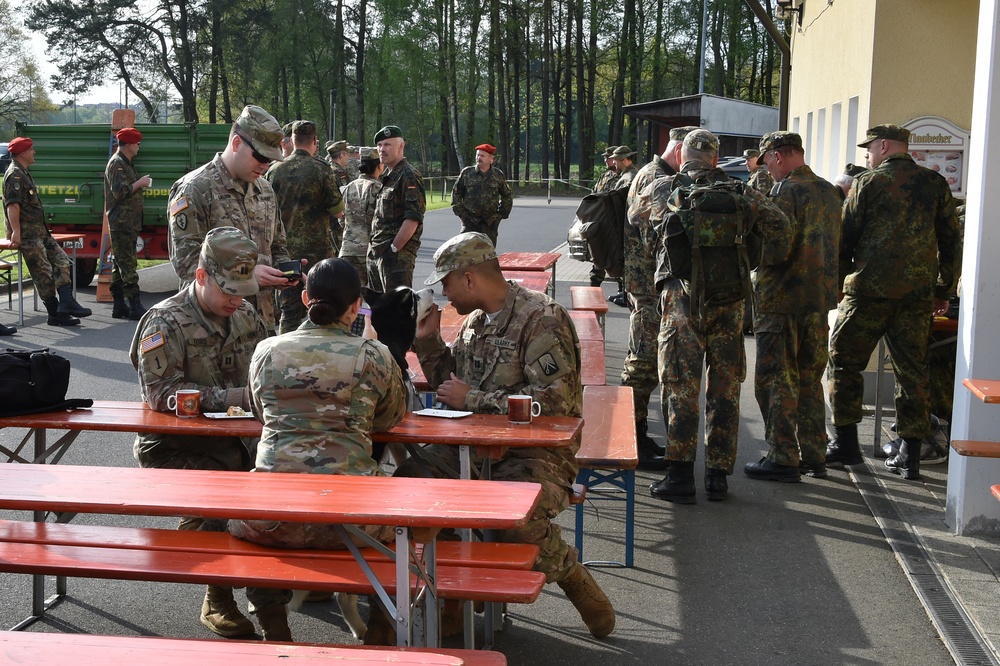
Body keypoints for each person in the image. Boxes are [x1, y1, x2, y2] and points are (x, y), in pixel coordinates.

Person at [404, 232, 616, 640]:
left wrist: (478, 398)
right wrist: (427, 340)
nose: (444, 295)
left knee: (512, 515)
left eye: (446, 283)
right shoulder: (474, 324)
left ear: (469, 279)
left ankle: (570, 573)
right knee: (415, 487)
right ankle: (453, 597)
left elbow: (553, 401)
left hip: (536, 449)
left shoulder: (541, 318)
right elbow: (452, 385)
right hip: (473, 446)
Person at [228, 257, 406, 641]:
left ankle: (274, 626)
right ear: (356, 306)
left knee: (240, 519)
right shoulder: (373, 355)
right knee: (411, 522)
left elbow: (260, 413)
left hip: (272, 519)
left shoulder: (267, 351)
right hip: (355, 523)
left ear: (305, 297)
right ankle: (380, 630)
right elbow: (390, 418)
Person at [130, 227, 268, 639]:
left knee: (290, 482)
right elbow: (161, 394)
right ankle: (218, 598)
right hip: (175, 445)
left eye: (244, 289)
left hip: (236, 439)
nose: (237, 299)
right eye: (229, 289)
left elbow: (266, 369)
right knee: (224, 497)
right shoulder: (165, 321)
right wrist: (234, 397)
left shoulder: (244, 313)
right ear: (202, 275)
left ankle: (276, 585)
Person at [647, 129, 790, 504]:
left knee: (680, 383)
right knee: (725, 387)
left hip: (682, 298)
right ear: (714, 158)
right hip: (730, 300)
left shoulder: (666, 187)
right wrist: (752, 257)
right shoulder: (741, 191)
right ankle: (717, 477)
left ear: (683, 155)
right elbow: (781, 226)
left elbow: (636, 218)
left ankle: (679, 477)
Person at [825, 124, 961, 481]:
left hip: (868, 293)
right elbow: (951, 240)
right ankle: (910, 454)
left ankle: (846, 445)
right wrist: (943, 290)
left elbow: (845, 237)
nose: (867, 155)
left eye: (869, 149)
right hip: (916, 297)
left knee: (843, 362)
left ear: (883, 146)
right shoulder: (935, 184)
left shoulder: (868, 183)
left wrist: (840, 284)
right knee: (913, 373)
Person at [742, 131, 842, 482]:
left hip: (782, 299)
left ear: (779, 156)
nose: (765, 166)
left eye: (766, 159)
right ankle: (814, 454)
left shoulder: (785, 191)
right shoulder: (830, 191)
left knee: (775, 379)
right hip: (818, 300)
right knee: (809, 379)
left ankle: (783, 456)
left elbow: (776, 248)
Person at [167, 104, 294, 333]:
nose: (265, 166)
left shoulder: (264, 190)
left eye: (270, 160)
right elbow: (186, 264)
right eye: (261, 157)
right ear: (236, 143)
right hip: (210, 329)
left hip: (260, 322)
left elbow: (277, 245)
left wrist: (284, 272)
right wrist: (247, 275)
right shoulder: (195, 189)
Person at [622, 126, 698, 471]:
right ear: (680, 149)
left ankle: (636, 433)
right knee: (643, 362)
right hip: (647, 287)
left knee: (648, 361)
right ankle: (631, 438)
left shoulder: (657, 174)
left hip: (647, 284)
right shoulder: (656, 178)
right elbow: (654, 230)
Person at [265, 120, 345, 334]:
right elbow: (337, 210)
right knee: (321, 307)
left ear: (291, 140)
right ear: (314, 141)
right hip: (318, 254)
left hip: (285, 254)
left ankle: (286, 358)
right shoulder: (323, 170)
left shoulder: (274, 171)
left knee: (289, 311)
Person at [3, 137, 91, 327]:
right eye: (31, 150)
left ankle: (66, 302)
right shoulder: (15, 175)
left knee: (61, 260)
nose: (34, 152)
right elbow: (13, 206)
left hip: (40, 233)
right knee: (43, 272)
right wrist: (16, 232)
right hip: (28, 235)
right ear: (22, 153)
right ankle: (54, 313)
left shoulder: (23, 172)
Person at [368, 125, 426, 293]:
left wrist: (393, 249)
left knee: (397, 311)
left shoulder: (408, 175)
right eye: (379, 145)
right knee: (379, 310)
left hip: (395, 259)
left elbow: (413, 218)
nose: (381, 149)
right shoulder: (388, 176)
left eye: (387, 145)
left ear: (401, 146)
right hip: (378, 254)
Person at [104, 127, 152, 321]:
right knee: (128, 264)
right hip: (121, 223)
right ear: (129, 144)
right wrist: (140, 183)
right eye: (137, 143)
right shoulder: (117, 164)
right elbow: (120, 191)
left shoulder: (126, 163)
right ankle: (134, 305)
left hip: (128, 222)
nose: (139, 147)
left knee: (119, 264)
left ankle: (118, 306)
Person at [451, 143, 513, 247]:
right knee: (466, 255)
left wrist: (500, 215)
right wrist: (462, 215)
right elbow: (456, 193)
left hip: (490, 223)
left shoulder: (498, 175)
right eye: (477, 155)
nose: (478, 158)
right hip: (469, 222)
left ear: (491, 159)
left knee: (487, 256)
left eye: (482, 156)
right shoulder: (467, 173)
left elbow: (507, 195)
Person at [340, 147, 383, 287]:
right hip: (369, 251)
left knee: (349, 297)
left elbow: (341, 219)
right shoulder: (379, 188)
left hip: (348, 249)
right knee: (375, 298)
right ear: (379, 165)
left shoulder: (348, 187)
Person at [607, 146, 638, 307]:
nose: (614, 163)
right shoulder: (627, 175)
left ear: (625, 159)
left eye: (617, 160)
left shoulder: (630, 178)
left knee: (627, 262)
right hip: (625, 225)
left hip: (627, 227)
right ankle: (624, 293)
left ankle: (626, 295)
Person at [589, 146, 619, 287]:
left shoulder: (623, 177)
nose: (606, 160)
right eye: (605, 158)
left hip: (614, 225)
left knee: (616, 257)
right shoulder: (604, 176)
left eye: (608, 157)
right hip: (600, 222)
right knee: (598, 255)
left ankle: (622, 290)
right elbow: (593, 194)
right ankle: (594, 286)